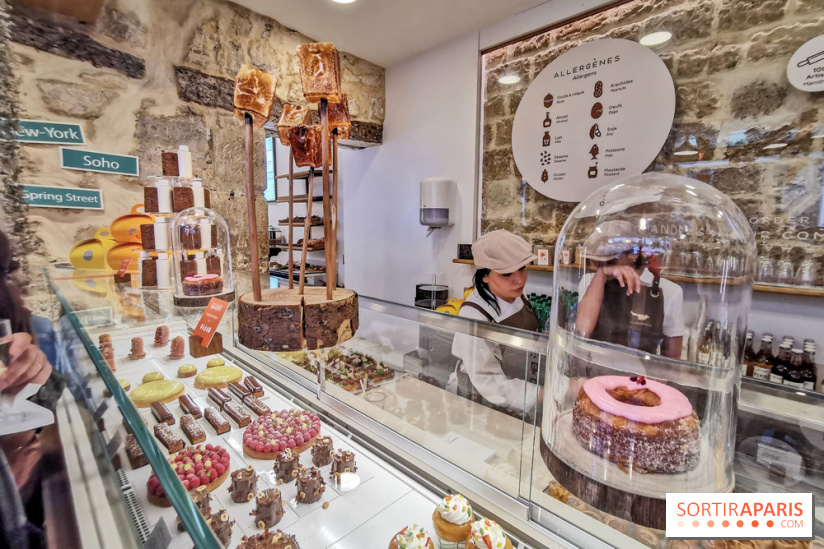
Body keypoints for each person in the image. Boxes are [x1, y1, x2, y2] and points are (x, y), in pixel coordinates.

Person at [448, 229, 543, 418]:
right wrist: (541, 394)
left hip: (519, 392)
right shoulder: (474, 314)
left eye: (522, 268)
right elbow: (487, 380)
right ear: (484, 275)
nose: (519, 279)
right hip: (481, 404)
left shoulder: (516, 295)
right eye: (506, 273)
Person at [576, 220, 684, 359]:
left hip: (640, 371)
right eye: (597, 261)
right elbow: (583, 330)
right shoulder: (590, 281)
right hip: (595, 368)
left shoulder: (670, 291)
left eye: (610, 260)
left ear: (634, 254)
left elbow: (672, 357)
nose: (602, 265)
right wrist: (601, 274)